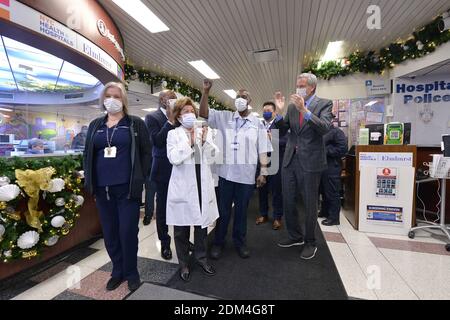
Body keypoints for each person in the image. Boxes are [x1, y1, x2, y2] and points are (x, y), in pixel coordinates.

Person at [83, 82, 152, 292]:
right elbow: (88, 153)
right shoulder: (96, 125)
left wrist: (142, 179)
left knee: (128, 232)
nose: (112, 100)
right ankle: (117, 271)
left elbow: (146, 153)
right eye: (108, 95)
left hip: (127, 189)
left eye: (117, 96)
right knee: (111, 234)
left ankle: (132, 272)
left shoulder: (134, 123)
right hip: (103, 190)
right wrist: (89, 180)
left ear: (123, 100)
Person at [199, 80, 272, 260]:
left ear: (249, 101)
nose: (240, 99)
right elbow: (203, 113)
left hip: (246, 177)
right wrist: (205, 92)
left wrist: (263, 172)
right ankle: (218, 242)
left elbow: (263, 148)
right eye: (238, 96)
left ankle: (240, 242)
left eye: (244, 97)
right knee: (223, 211)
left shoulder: (257, 123)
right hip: (226, 174)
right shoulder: (225, 117)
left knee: (241, 212)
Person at [275, 73, 333, 260]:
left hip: (311, 162)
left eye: (302, 85)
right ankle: (295, 236)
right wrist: (279, 111)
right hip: (290, 160)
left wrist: (304, 111)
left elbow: (324, 127)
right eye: (297, 85)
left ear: (312, 88)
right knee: (288, 200)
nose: (298, 88)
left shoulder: (324, 104)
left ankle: (310, 242)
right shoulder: (291, 107)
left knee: (309, 204)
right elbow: (282, 128)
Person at [166, 97, 219, 282]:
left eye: (191, 111)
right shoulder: (173, 135)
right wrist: (189, 142)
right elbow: (173, 157)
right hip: (182, 189)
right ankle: (183, 264)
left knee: (201, 227)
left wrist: (204, 141)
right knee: (180, 230)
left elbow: (214, 157)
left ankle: (201, 258)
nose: (189, 115)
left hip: (201, 186)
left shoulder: (206, 131)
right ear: (178, 117)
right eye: (184, 112)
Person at [145, 91, 178, 260]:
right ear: (162, 100)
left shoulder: (180, 117)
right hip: (162, 170)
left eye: (174, 97)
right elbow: (157, 141)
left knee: (180, 206)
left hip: (180, 169)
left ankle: (182, 239)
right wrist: (170, 121)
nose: (172, 100)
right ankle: (165, 243)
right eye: (169, 97)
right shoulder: (152, 117)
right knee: (163, 208)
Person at [256, 102, 288, 230]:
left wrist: (272, 138)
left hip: (276, 161)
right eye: (264, 111)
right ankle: (263, 214)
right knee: (261, 189)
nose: (266, 113)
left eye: (268, 110)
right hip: (262, 161)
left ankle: (277, 217)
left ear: (274, 112)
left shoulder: (280, 125)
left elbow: (286, 141)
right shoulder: (260, 125)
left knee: (276, 191)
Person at [319, 119, 348, 226]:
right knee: (323, 190)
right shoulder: (321, 131)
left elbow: (343, 149)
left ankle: (334, 218)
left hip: (332, 166)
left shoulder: (336, 132)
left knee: (332, 192)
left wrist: (325, 150)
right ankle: (325, 211)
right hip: (321, 167)